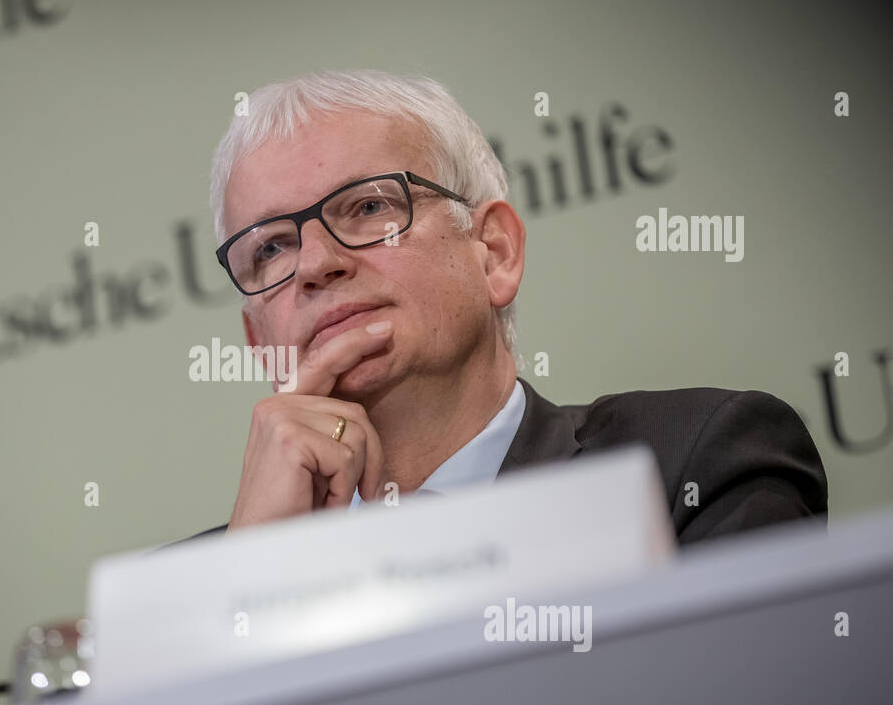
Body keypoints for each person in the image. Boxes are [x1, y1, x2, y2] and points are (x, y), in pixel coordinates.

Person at [178, 69, 826, 547]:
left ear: (494, 251)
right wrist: (254, 572)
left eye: (369, 206)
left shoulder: (694, 462)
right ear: (260, 343)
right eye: (270, 249)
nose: (316, 264)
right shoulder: (190, 594)